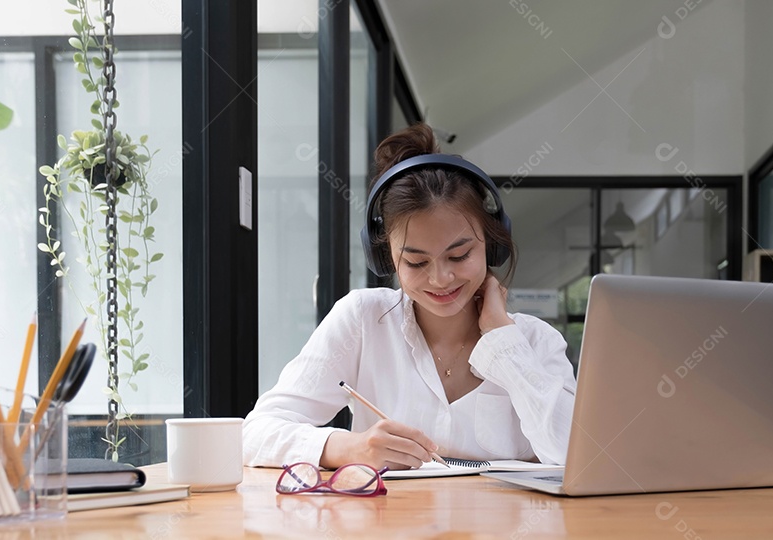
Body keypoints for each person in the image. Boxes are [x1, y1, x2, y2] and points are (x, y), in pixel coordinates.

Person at [242, 124, 576, 471]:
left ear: (492, 244)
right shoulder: (362, 319)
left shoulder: (535, 341)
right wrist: (348, 448)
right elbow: (254, 435)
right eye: (416, 262)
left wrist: (504, 342)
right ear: (387, 258)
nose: (440, 279)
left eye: (459, 256)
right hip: (391, 524)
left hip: (504, 526)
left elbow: (576, 456)